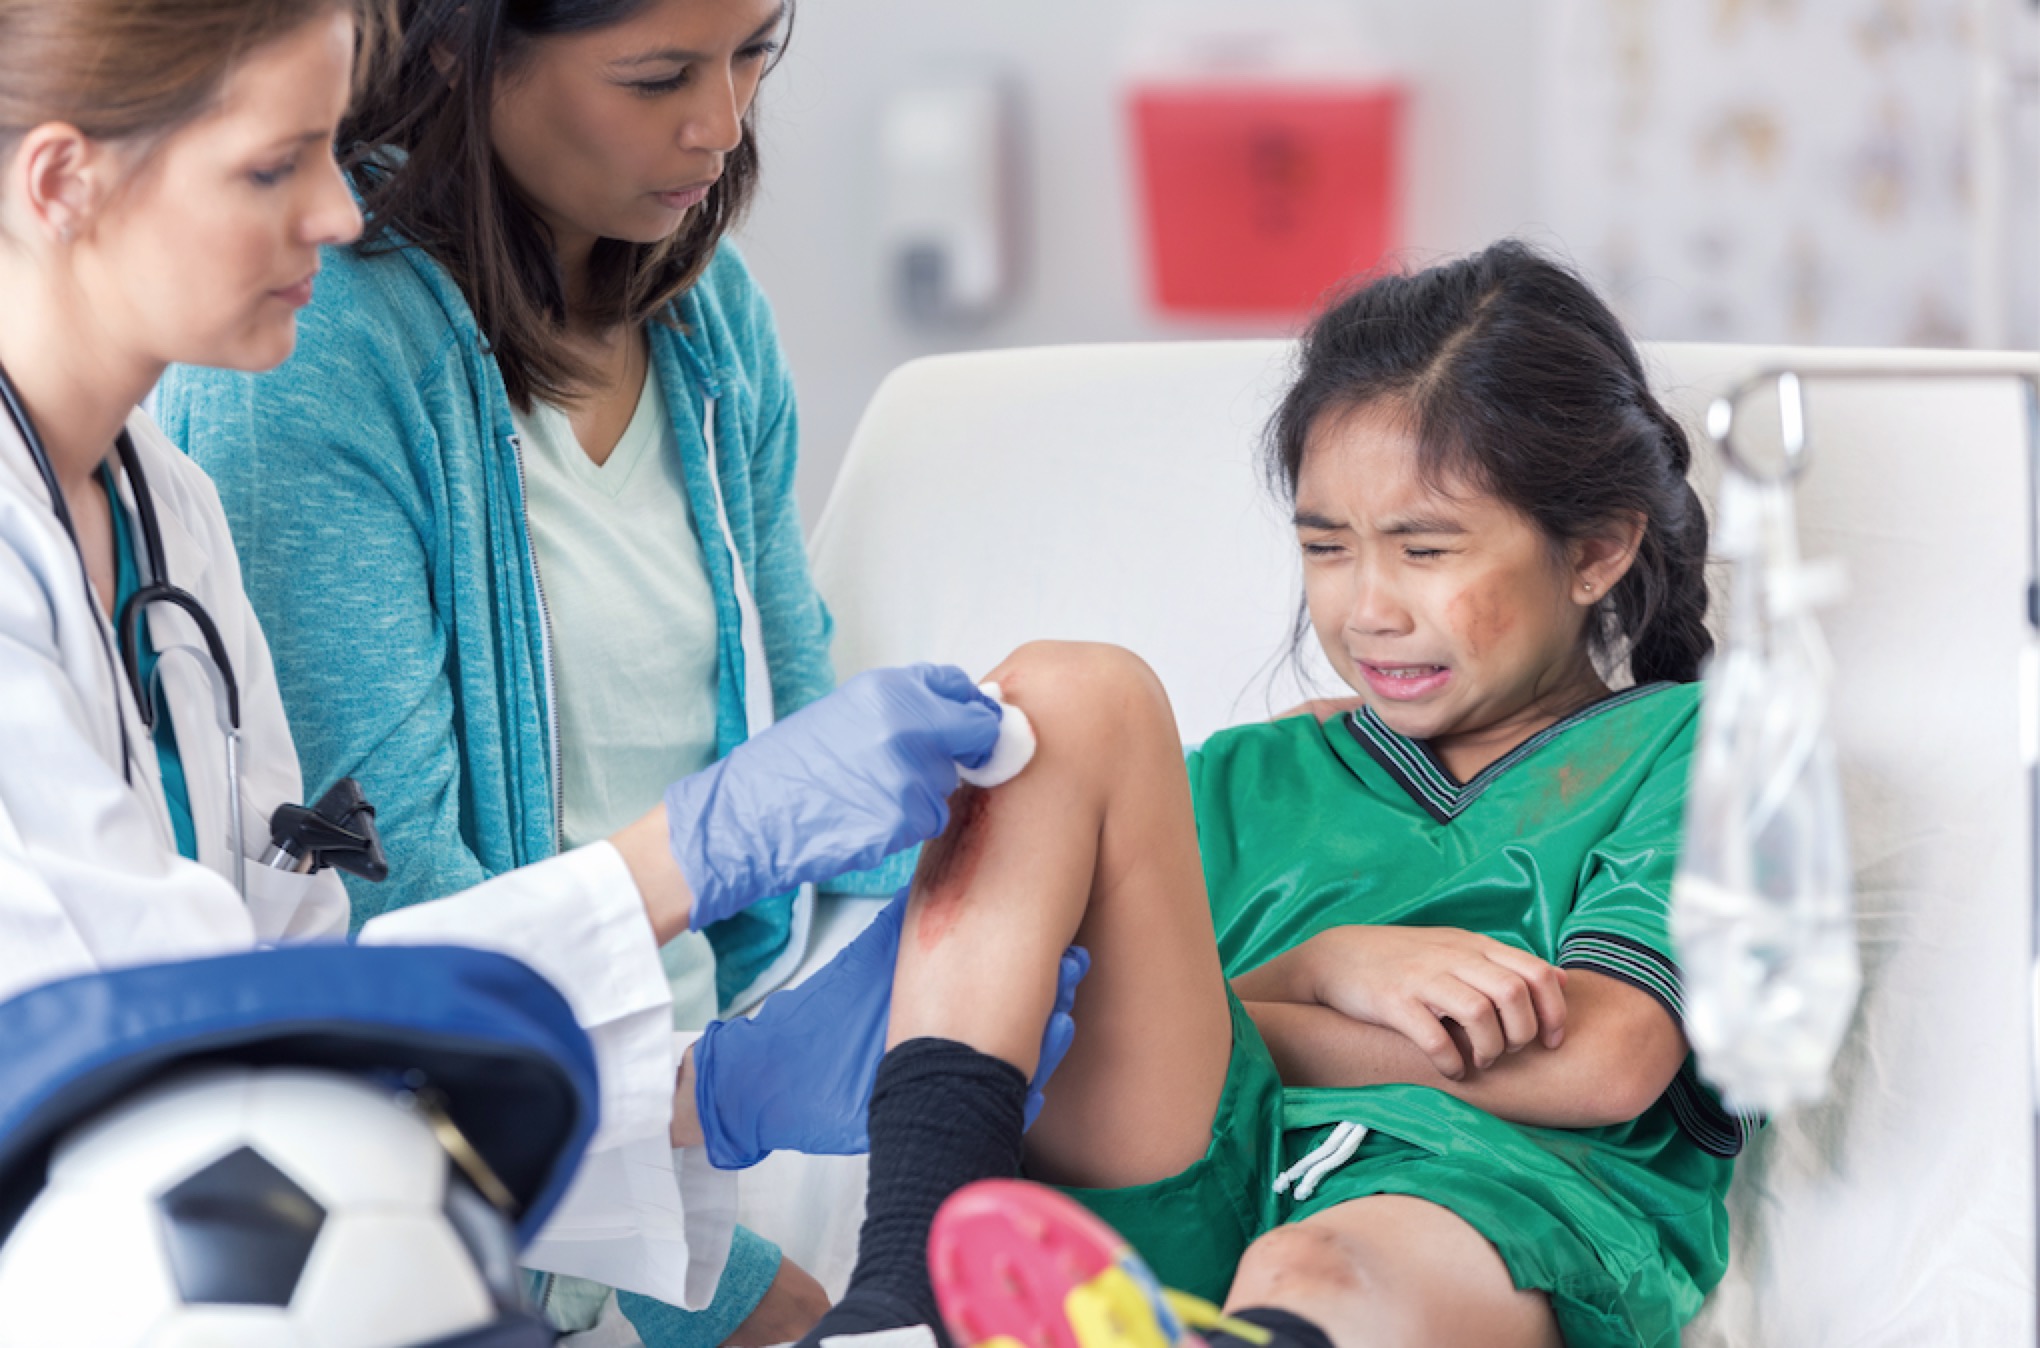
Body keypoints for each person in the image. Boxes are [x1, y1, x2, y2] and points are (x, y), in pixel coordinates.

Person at [0, 0, 1073, 1337]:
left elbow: (322, 998)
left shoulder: (164, 511)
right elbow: (159, 1043)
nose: (341, 215)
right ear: (60, 181)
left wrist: (703, 1092)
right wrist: (697, 861)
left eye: (333, 148)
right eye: (278, 166)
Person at [792, 241, 1742, 1348]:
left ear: (1596, 551)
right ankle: (899, 1300)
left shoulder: (1686, 747)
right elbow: (1069, 1034)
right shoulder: (1244, 777)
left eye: (1424, 548)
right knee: (1068, 692)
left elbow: (1604, 1059)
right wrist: (1326, 968)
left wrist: (1266, 1014)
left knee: (1320, 1263)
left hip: (1490, 1209)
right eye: (1327, 548)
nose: (1368, 608)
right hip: (1194, 1178)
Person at [156, 5, 885, 1329]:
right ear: (458, 49)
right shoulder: (310, 351)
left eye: (752, 57)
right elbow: (381, 930)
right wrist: (699, 1276)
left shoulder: (708, 322)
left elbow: (818, 748)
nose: (721, 125)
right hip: (507, 1169)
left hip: (712, 1111)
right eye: (659, 75)